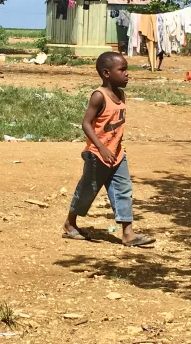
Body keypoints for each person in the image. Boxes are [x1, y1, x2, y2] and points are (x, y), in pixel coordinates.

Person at [62, 52, 155, 247]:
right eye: (122, 70)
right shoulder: (99, 96)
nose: (127, 74)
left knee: (123, 190)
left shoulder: (121, 94)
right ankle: (70, 224)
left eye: (126, 69)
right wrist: (101, 147)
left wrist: (114, 147)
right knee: (87, 191)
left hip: (117, 154)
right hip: (97, 155)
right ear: (106, 73)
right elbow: (86, 124)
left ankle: (128, 233)